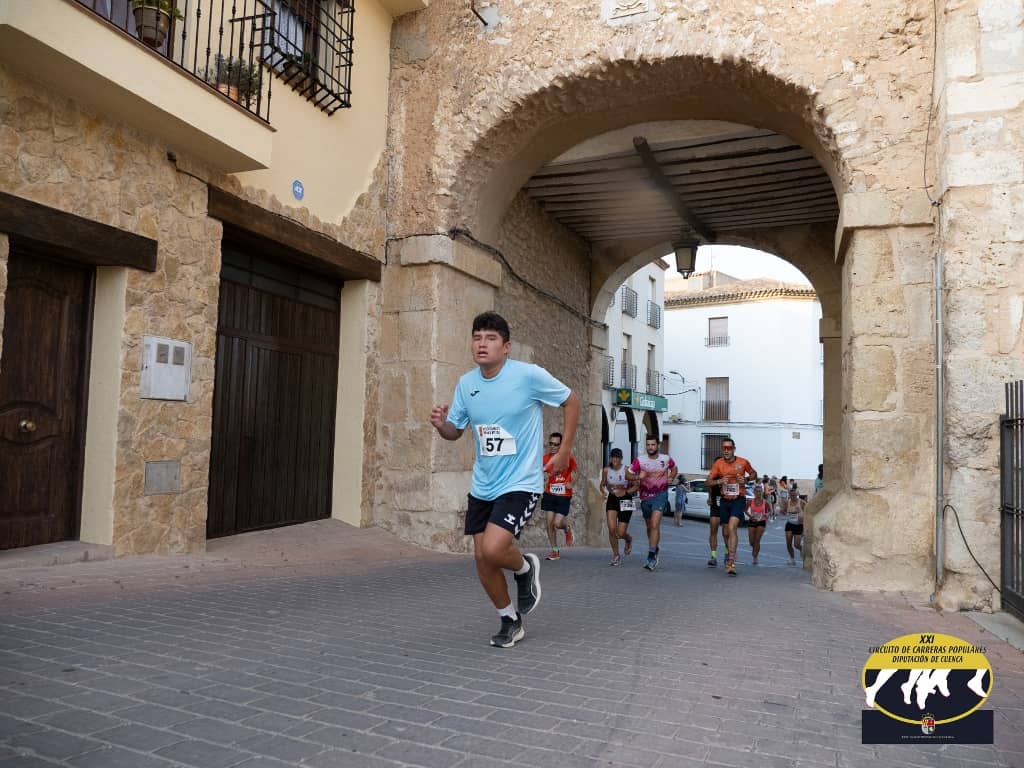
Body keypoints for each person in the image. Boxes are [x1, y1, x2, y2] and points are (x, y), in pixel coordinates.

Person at [429, 312, 579, 648]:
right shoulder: (467, 384)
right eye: (477, 337)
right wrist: (441, 426)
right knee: (483, 560)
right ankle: (510, 620)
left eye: (491, 338)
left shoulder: (527, 376)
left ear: (506, 347)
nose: (482, 344)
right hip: (483, 485)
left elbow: (571, 401)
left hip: (520, 482)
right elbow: (456, 431)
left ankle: (525, 568)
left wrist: (564, 451)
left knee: (495, 548)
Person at [706, 439, 758, 576]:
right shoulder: (718, 464)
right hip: (724, 501)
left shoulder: (743, 462)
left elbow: (754, 473)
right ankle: (729, 553)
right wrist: (719, 481)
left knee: (732, 527)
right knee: (725, 532)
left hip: (738, 499)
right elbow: (708, 482)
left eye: (729, 448)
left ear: (734, 449)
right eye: (724, 448)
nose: (726, 450)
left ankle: (731, 562)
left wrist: (746, 479)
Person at [627, 436, 677, 570]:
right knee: (650, 527)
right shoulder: (640, 460)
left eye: (653, 444)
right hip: (645, 497)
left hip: (660, 495)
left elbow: (674, 468)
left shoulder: (666, 459)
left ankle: (651, 556)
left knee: (655, 524)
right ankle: (655, 547)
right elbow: (628, 475)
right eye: (648, 445)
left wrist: (671, 477)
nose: (650, 447)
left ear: (657, 445)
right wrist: (638, 477)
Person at [541, 432, 577, 560]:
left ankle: (566, 528)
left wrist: (572, 483)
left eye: (556, 444)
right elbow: (539, 471)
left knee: (557, 523)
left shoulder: (568, 458)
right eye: (551, 443)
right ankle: (555, 551)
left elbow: (576, 472)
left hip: (564, 495)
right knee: (549, 524)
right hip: (549, 494)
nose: (553, 446)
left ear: (561, 445)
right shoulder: (545, 459)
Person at [600, 448, 637, 566]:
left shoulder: (626, 470)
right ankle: (616, 556)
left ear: (621, 459)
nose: (615, 459)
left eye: (617, 457)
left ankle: (628, 539)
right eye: (613, 457)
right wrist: (603, 491)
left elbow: (637, 485)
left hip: (626, 499)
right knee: (611, 529)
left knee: (620, 533)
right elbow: (602, 484)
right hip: (612, 499)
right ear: (610, 458)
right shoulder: (606, 470)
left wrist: (625, 492)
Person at [746, 483, 768, 564]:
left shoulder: (765, 502)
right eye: (757, 491)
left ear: (762, 492)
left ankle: (755, 557)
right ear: (754, 492)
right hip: (752, 521)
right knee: (751, 541)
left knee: (757, 540)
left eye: (760, 491)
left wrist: (767, 514)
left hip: (761, 522)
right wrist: (750, 516)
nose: (758, 493)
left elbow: (770, 511)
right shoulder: (750, 501)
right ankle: (755, 548)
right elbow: (744, 510)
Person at [706, 461, 723, 567]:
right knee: (713, 531)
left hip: (727, 506)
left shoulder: (728, 474)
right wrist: (709, 497)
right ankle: (713, 557)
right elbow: (708, 485)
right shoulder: (712, 475)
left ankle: (728, 555)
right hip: (715, 507)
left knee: (727, 533)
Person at [784, 489, 806, 565]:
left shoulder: (802, 502)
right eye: (791, 495)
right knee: (788, 543)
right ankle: (792, 559)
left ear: (797, 495)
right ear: (789, 495)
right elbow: (783, 510)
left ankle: (801, 549)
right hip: (789, 524)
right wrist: (784, 510)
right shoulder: (787, 502)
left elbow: (808, 513)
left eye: (794, 495)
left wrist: (800, 512)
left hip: (799, 525)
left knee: (796, 545)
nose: (793, 496)